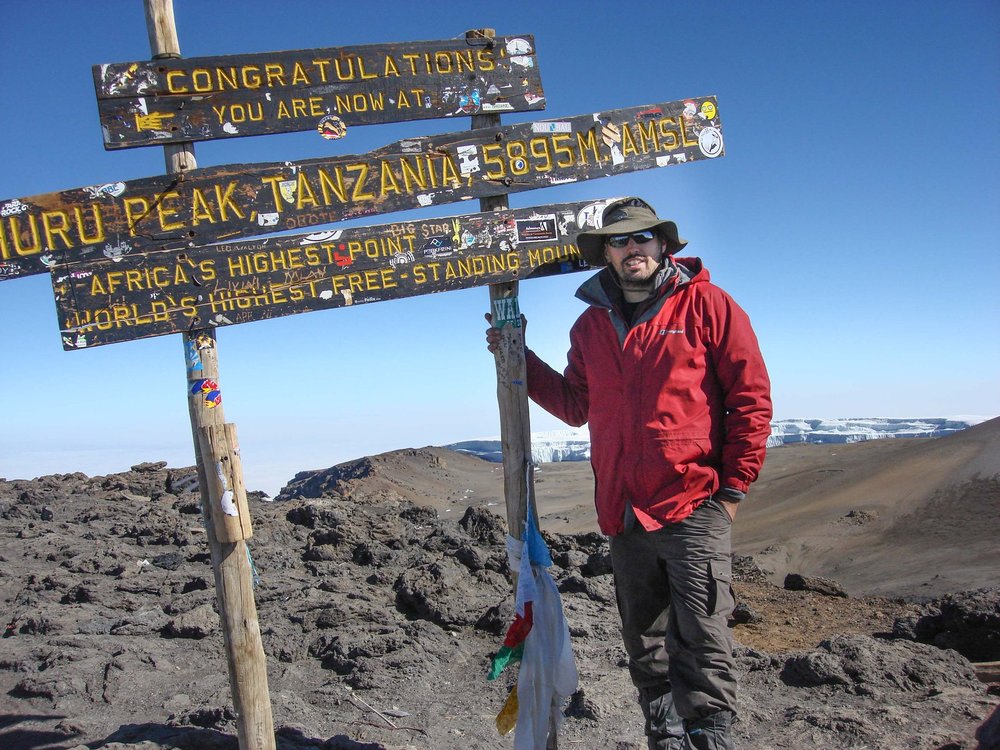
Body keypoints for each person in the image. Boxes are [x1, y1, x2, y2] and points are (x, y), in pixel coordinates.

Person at [485, 197, 772, 750]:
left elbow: (751, 400)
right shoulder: (590, 325)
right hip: (623, 511)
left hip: (694, 503)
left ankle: (712, 739)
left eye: (642, 238)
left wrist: (732, 490)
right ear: (606, 253)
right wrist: (518, 355)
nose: (631, 248)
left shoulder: (709, 306)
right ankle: (663, 738)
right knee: (645, 641)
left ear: (663, 244)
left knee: (704, 637)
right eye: (619, 240)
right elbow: (575, 404)